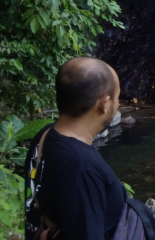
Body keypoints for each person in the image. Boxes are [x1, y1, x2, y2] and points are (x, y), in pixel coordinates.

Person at [24, 57, 129, 239]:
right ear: (103, 104)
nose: (118, 104)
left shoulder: (45, 135)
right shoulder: (82, 168)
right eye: (117, 97)